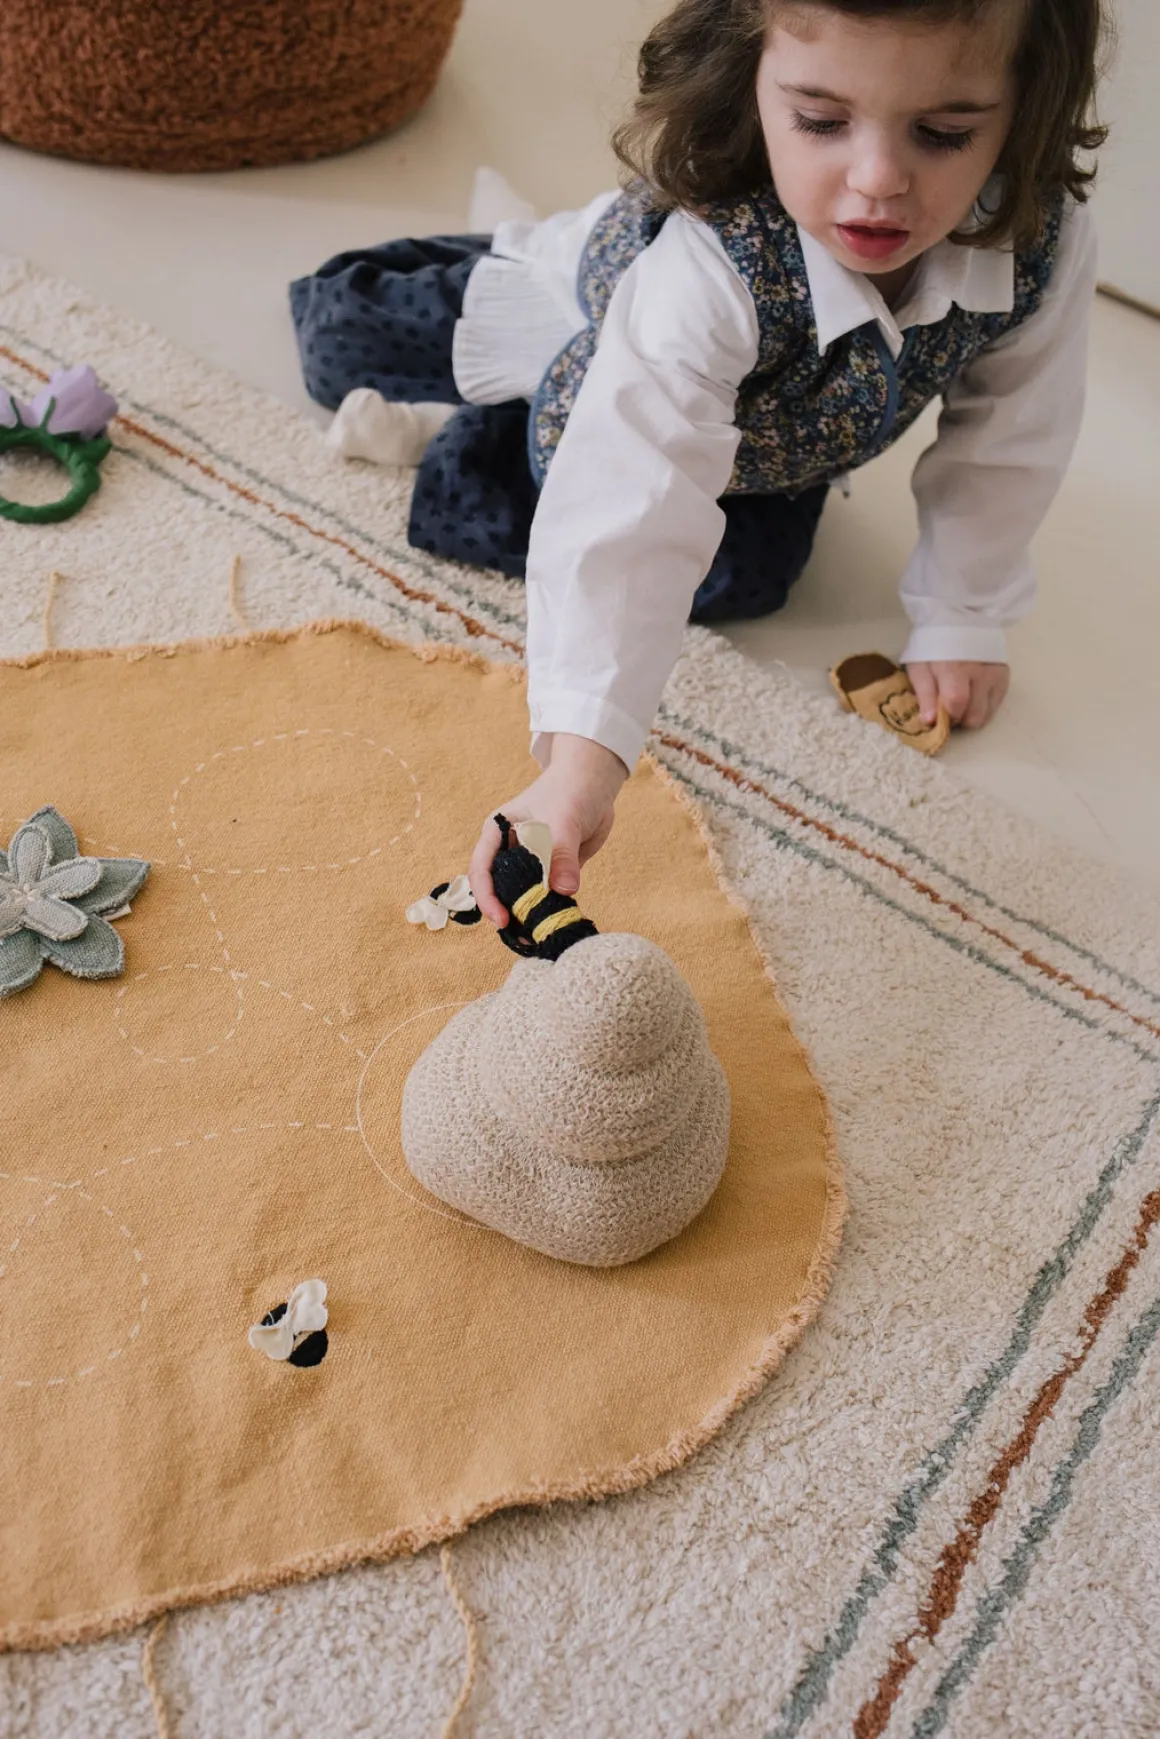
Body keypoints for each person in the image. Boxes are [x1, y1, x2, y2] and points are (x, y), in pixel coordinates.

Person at [289, 0, 1107, 922]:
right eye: (821, 121)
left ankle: (463, 437)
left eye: (944, 134)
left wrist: (964, 609)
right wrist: (581, 764)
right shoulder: (714, 259)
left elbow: (1014, 430)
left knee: (755, 576)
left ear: (1026, 109)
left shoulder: (1041, 238)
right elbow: (628, 490)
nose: (878, 179)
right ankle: (501, 298)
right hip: (584, 325)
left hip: (758, 448)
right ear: (747, 78)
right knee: (334, 335)